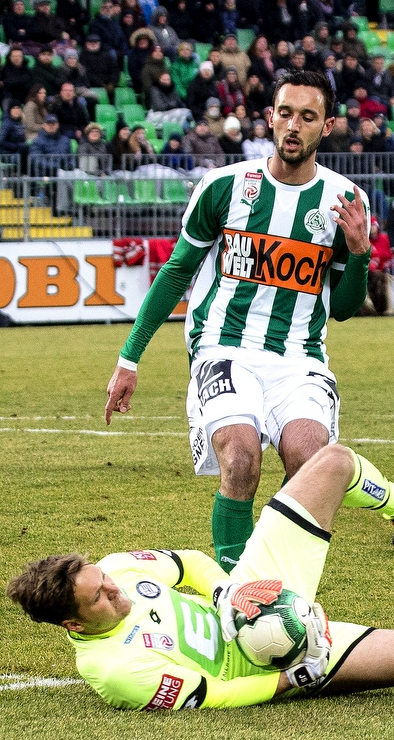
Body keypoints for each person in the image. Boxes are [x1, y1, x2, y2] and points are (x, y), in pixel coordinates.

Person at [6, 444, 394, 712]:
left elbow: (189, 562)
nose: (114, 587)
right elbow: (215, 695)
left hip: (255, 592)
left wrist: (227, 591)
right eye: (99, 596)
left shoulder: (117, 568)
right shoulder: (116, 670)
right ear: (70, 621)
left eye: (104, 578)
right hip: (277, 656)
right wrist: (292, 679)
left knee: (332, 461)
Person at [104, 71, 372, 574]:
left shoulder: (346, 202)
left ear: (328, 126)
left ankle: (287, 593)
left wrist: (358, 254)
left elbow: (344, 307)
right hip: (223, 347)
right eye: (285, 113)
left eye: (307, 117)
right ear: (270, 117)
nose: (293, 126)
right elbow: (177, 270)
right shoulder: (224, 186)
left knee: (309, 462)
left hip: (299, 357)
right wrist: (129, 358)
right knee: (242, 457)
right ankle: (238, 593)